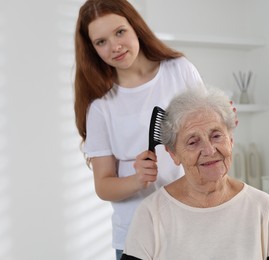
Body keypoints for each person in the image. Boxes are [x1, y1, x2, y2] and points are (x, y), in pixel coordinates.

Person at [73, 0, 205, 259]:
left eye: (119, 32)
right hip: (134, 236)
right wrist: (138, 179)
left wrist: (219, 123)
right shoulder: (100, 105)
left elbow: (206, 137)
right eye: (101, 42)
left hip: (189, 224)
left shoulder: (179, 71)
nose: (115, 47)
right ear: (92, 49)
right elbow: (103, 186)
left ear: (135, 26)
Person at [121, 87, 269, 260]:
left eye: (216, 136)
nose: (209, 150)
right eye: (193, 142)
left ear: (231, 140)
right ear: (173, 154)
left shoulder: (262, 206)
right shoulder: (151, 213)